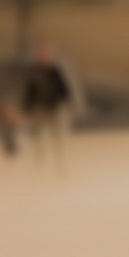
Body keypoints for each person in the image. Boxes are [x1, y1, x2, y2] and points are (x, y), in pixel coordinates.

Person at [17, 42, 87, 170]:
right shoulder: (33, 72)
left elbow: (64, 89)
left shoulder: (56, 70)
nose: (44, 56)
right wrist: (26, 111)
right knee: (37, 135)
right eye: (41, 53)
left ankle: (61, 163)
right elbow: (29, 93)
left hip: (56, 107)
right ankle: (39, 162)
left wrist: (72, 105)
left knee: (59, 135)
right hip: (39, 108)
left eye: (46, 53)